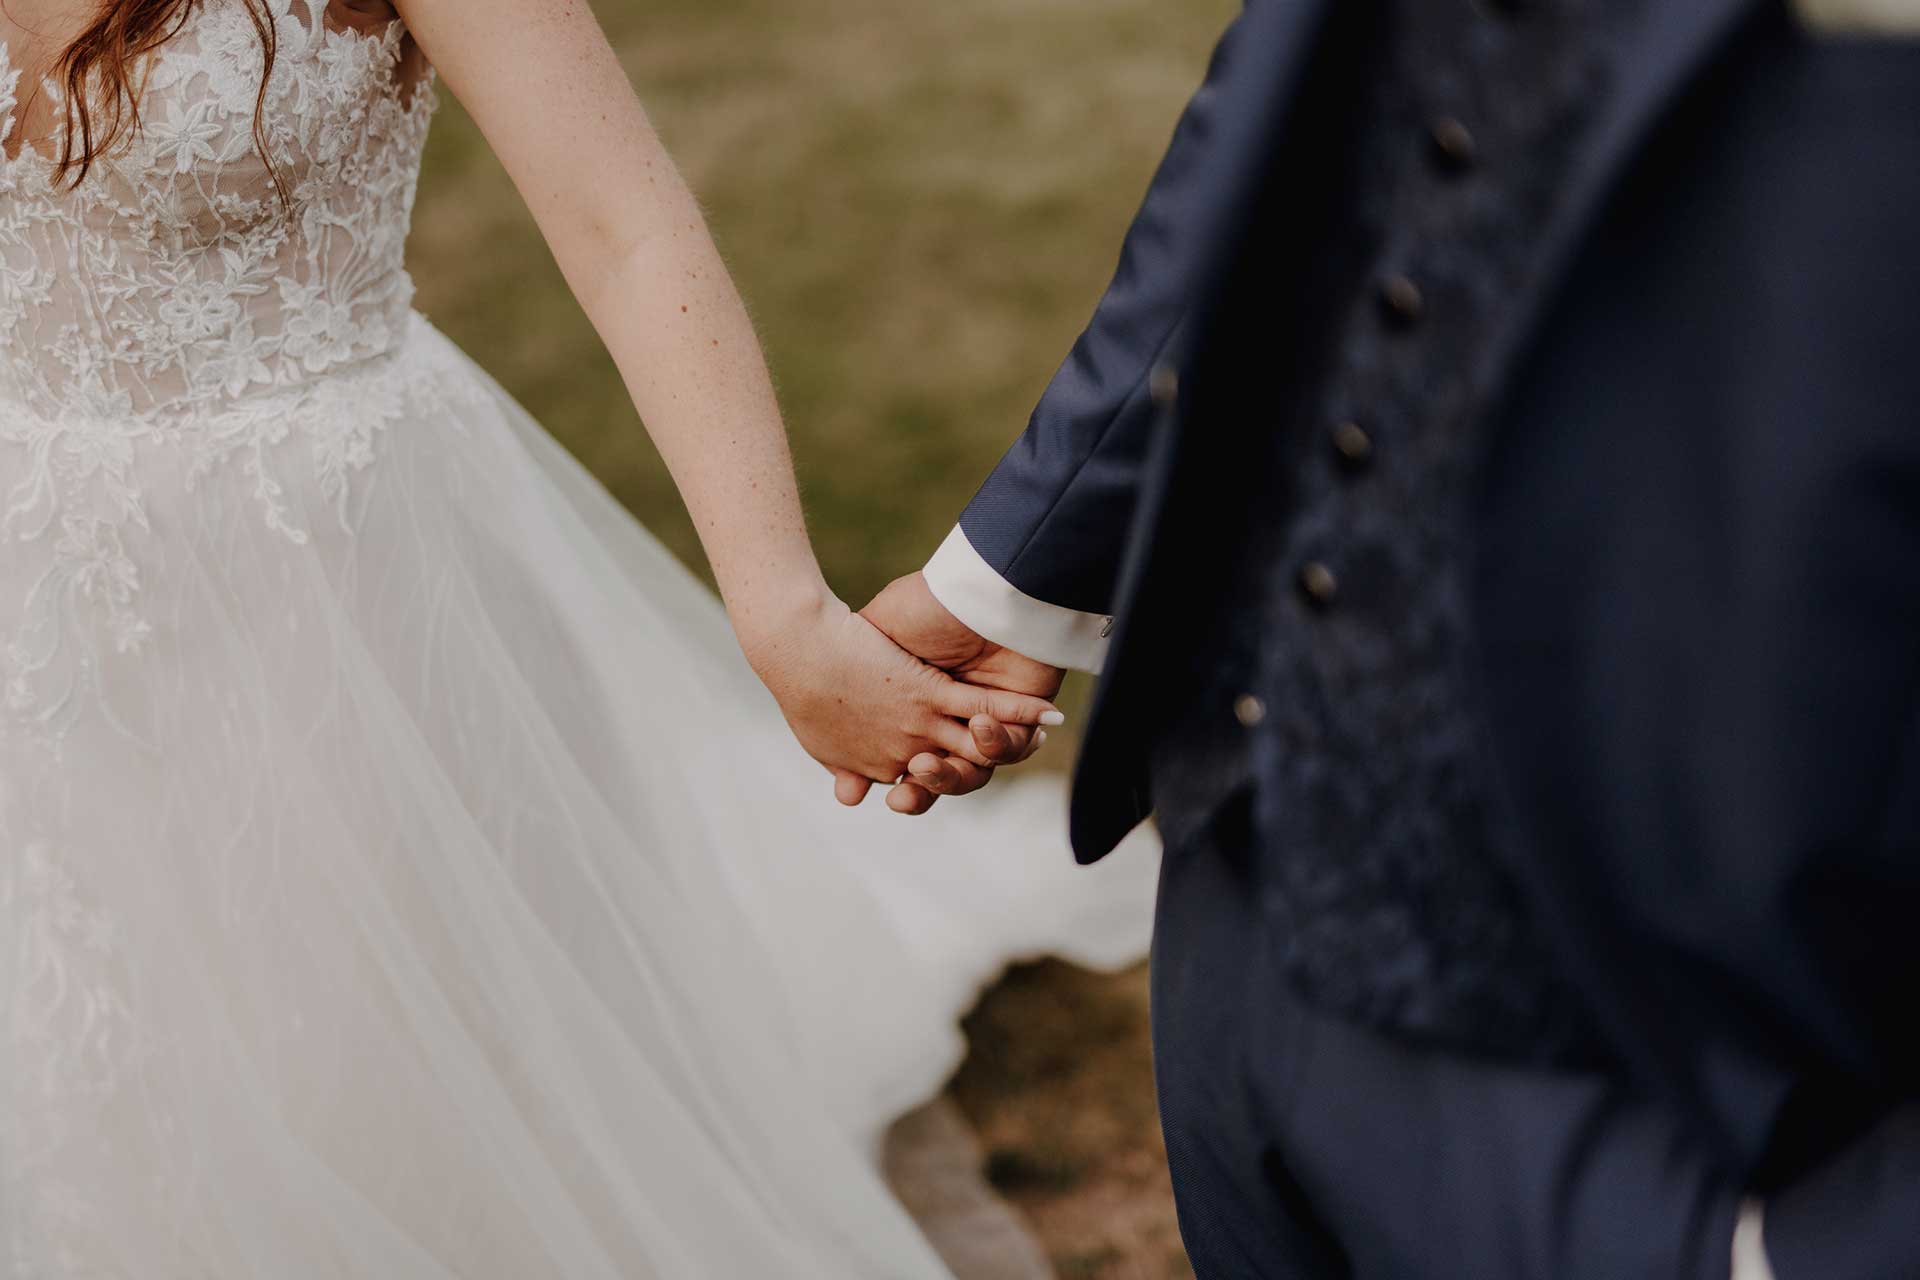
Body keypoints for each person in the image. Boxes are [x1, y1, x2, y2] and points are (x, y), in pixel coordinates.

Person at [0, 0, 1160, 1272]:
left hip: (326, 580)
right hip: (30, 581)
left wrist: (785, 619)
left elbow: (628, 231)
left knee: (361, 1052)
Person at [863, 0, 1920, 1275]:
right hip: (1254, 867)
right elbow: (1294, 110)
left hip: (1697, 1069)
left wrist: (1843, 1243)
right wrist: (1013, 578)